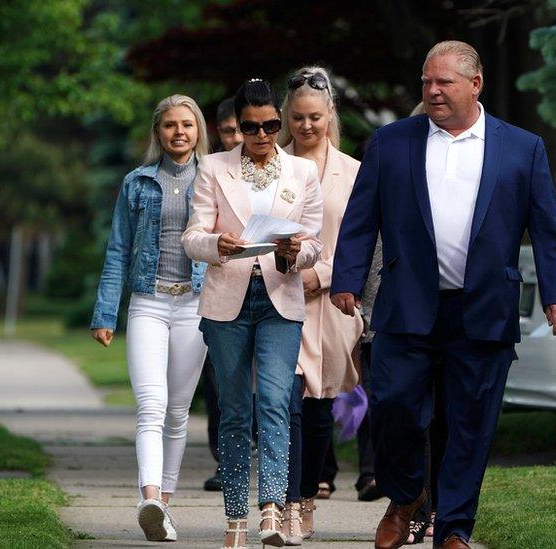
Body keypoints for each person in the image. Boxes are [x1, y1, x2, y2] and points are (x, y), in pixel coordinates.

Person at [331, 41, 556, 549]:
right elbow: (361, 219)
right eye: (427, 82)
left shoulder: (521, 147)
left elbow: (547, 228)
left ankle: (455, 528)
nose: (432, 91)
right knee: (395, 409)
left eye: (443, 82)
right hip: (406, 305)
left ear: (475, 84)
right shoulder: (390, 142)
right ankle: (405, 498)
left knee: (470, 425)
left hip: (483, 310)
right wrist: (348, 280)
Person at [182, 78, 324, 549]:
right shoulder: (213, 167)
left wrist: (292, 253)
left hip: (281, 298)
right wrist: (215, 245)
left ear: (279, 123)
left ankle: (272, 511)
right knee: (235, 410)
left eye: (270, 126)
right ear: (237, 127)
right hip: (228, 299)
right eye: (251, 127)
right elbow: (193, 236)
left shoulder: (301, 172)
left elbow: (315, 244)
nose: (262, 135)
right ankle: (235, 519)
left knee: (276, 403)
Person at [90, 94, 211, 542]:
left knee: (178, 413)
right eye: (169, 126)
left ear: (199, 130)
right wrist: (105, 313)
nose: (179, 133)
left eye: (187, 125)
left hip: (195, 306)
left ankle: (164, 508)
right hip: (149, 302)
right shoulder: (136, 182)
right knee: (152, 406)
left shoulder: (214, 179)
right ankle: (150, 497)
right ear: (157, 132)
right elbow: (118, 250)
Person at [277, 66, 364, 545]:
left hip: (331, 304)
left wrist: (322, 275)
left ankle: (308, 494)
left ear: (329, 114)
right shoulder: (273, 166)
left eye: (314, 117)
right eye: (297, 118)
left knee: (316, 412)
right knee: (284, 403)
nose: (306, 127)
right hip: (280, 300)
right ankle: (287, 503)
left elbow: (360, 242)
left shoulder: (352, 173)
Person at [198, 96, 244, 494]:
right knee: (220, 385)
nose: (234, 137)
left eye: (238, 129)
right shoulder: (210, 171)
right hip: (217, 291)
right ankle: (223, 460)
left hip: (263, 290)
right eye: (227, 131)